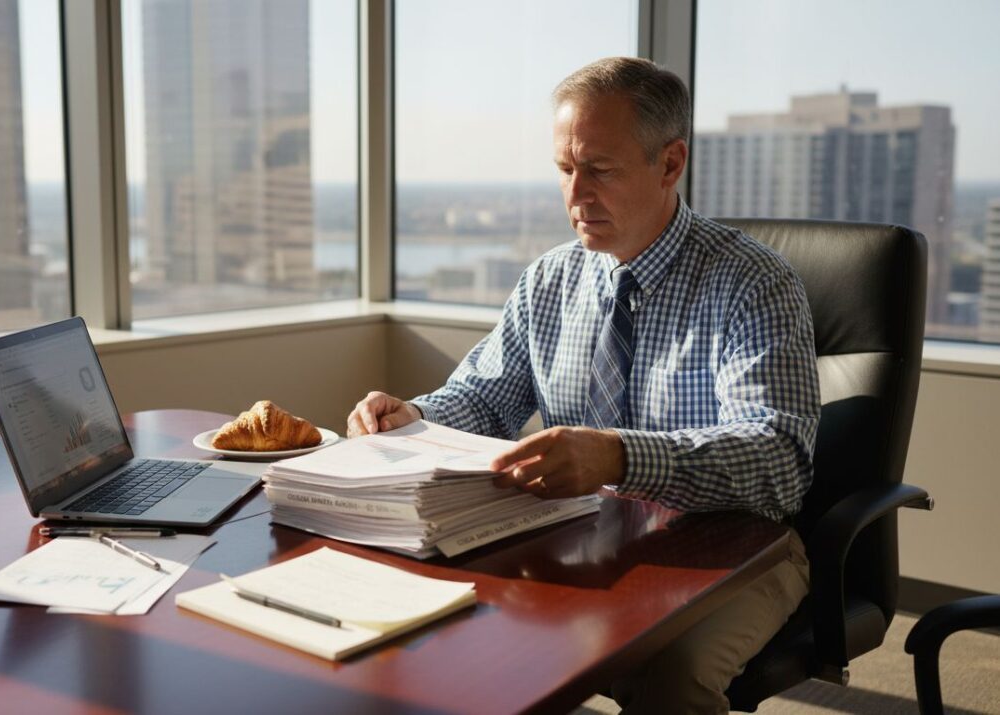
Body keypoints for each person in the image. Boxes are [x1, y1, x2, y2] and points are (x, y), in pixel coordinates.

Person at [346, 57, 819, 714]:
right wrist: (413, 415)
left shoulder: (752, 283)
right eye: (565, 170)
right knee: (444, 629)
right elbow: (485, 398)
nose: (575, 195)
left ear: (670, 163)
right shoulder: (550, 280)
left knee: (671, 674)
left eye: (599, 169)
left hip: (735, 546)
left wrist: (619, 456)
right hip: (577, 528)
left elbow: (777, 461)